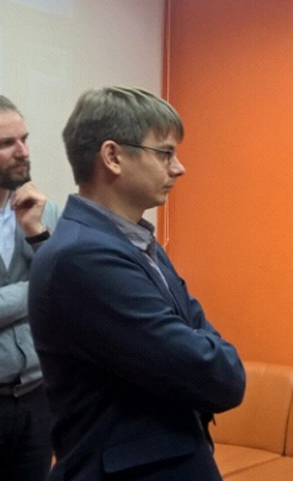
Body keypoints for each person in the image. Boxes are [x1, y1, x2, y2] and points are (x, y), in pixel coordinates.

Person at [28, 86, 246, 481]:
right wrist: (210, 353)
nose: (178, 168)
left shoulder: (138, 242)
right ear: (112, 157)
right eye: (165, 153)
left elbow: (199, 338)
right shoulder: (83, 257)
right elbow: (216, 376)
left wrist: (208, 352)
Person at [0, 95, 59, 480]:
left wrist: (38, 234)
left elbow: (69, 293)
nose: (23, 151)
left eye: (24, 139)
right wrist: (37, 289)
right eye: (7, 143)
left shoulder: (44, 211)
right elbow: (50, 289)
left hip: (37, 399)